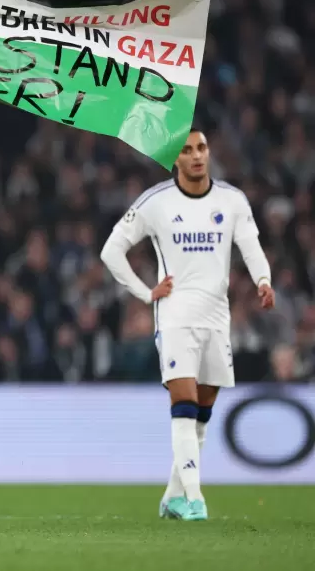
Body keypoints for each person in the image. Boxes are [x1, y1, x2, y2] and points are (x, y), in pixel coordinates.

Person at [100, 129, 274, 522]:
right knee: (184, 404)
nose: (196, 155)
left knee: (202, 415)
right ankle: (195, 500)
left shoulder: (231, 200)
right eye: (187, 150)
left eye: (202, 148)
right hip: (176, 317)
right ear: (175, 159)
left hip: (217, 319)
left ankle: (173, 497)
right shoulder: (156, 202)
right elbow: (111, 251)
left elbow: (250, 246)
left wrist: (263, 281)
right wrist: (146, 293)